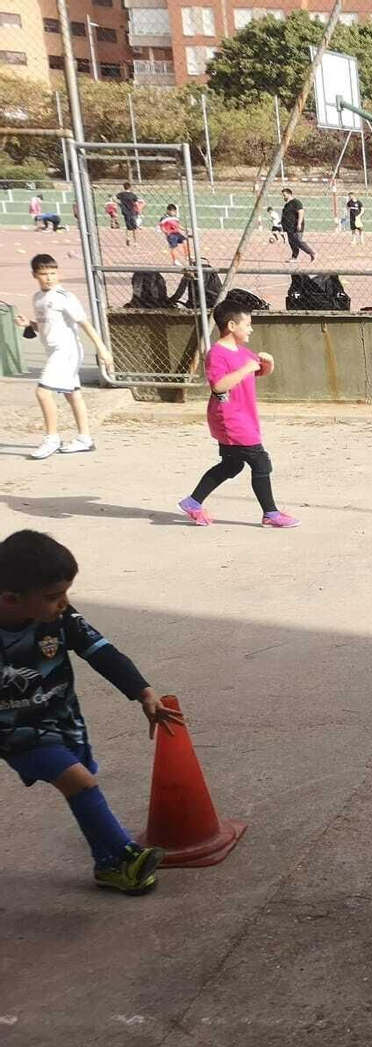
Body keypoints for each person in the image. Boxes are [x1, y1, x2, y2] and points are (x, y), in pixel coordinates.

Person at [0, 529, 183, 894]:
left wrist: (142, 691)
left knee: (83, 782)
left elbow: (101, 651)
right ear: (10, 598)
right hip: (16, 731)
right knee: (79, 780)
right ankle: (127, 854)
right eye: (53, 597)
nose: (64, 603)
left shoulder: (60, 617)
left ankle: (110, 867)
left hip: (65, 720)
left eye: (66, 592)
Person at [178, 300, 299, 529]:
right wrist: (245, 369)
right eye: (248, 324)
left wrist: (268, 363)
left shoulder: (243, 352)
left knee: (232, 465)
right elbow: (219, 386)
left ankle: (192, 502)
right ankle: (270, 514)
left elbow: (259, 370)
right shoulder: (217, 353)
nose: (251, 329)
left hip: (244, 416)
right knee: (260, 462)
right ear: (232, 325)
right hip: (230, 419)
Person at [15, 254, 113, 460]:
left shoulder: (63, 297)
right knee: (73, 394)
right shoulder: (38, 298)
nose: (49, 277)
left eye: (53, 273)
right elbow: (45, 326)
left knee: (43, 393)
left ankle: (52, 438)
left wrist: (102, 349)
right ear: (35, 275)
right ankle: (85, 439)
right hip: (53, 350)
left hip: (66, 351)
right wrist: (30, 324)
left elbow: (84, 323)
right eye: (44, 274)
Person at [280, 187, 314, 262]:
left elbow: (301, 212)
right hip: (289, 227)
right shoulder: (286, 205)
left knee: (298, 241)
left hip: (296, 226)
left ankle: (312, 253)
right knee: (291, 242)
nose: (283, 197)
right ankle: (294, 257)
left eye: (284, 195)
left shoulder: (296, 202)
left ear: (289, 194)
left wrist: (299, 223)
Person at [113, 181, 141, 246]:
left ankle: (128, 237)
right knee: (134, 228)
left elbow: (114, 198)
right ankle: (135, 242)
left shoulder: (121, 194)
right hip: (132, 212)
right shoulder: (133, 195)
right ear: (130, 187)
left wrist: (119, 203)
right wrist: (138, 210)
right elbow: (136, 203)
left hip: (125, 212)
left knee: (128, 226)